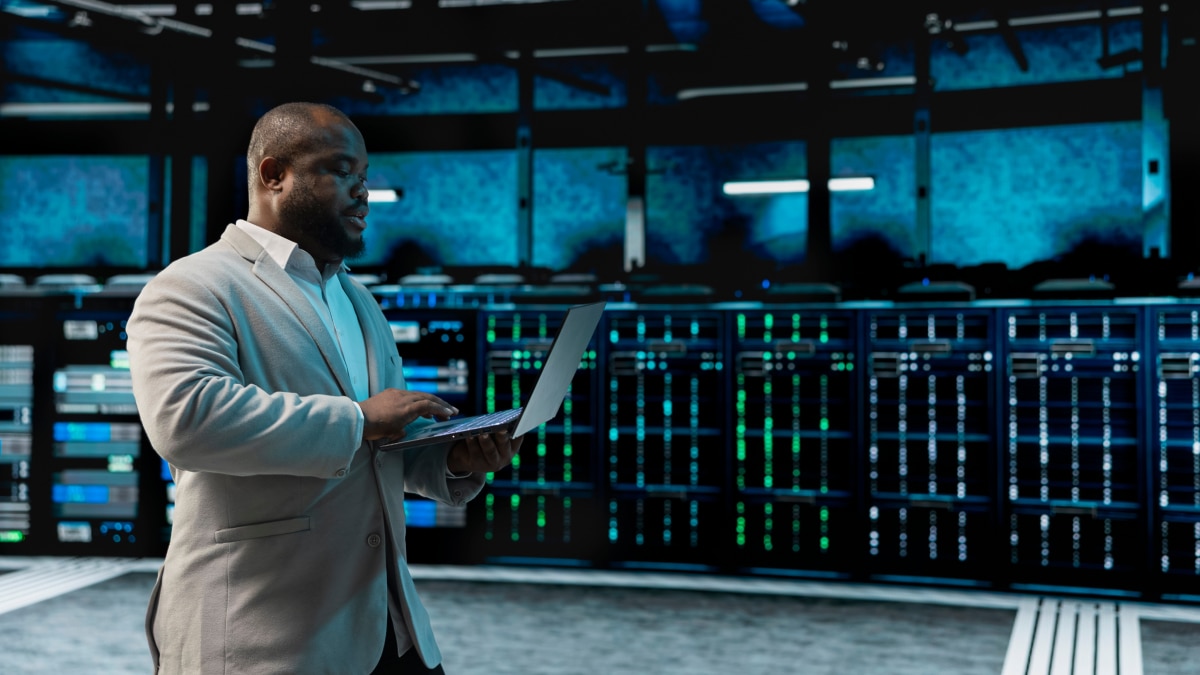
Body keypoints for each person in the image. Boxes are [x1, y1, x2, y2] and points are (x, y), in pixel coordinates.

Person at [127, 101, 522, 674]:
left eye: (364, 177)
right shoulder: (192, 285)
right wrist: (359, 418)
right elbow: (187, 420)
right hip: (265, 637)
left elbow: (379, 447)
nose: (362, 193)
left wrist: (454, 458)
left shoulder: (357, 298)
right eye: (340, 172)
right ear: (272, 175)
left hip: (390, 629)